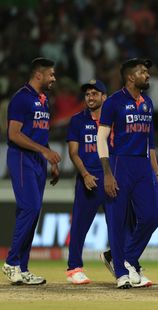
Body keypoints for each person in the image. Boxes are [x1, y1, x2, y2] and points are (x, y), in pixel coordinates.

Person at [97, 58, 158, 289]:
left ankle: (126, 258)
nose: (147, 75)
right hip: (118, 163)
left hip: (143, 166)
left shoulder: (148, 103)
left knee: (154, 215)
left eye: (147, 71)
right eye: (142, 71)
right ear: (130, 77)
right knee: (117, 220)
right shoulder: (113, 102)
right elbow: (101, 138)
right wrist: (106, 172)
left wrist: (156, 174)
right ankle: (121, 274)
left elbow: (151, 143)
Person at [2, 58, 61, 285]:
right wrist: (43, 152)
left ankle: (22, 268)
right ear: (39, 75)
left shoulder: (43, 100)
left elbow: (39, 135)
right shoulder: (21, 98)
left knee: (33, 212)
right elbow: (14, 134)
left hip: (37, 160)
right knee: (30, 207)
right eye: (51, 75)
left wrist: (50, 160)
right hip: (21, 158)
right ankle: (11, 262)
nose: (54, 79)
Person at [65, 79, 112, 284]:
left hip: (110, 178)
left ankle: (121, 264)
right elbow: (73, 152)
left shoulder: (113, 120)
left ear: (104, 97)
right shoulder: (77, 120)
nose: (90, 97)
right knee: (79, 226)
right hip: (88, 179)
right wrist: (84, 175)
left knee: (120, 225)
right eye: (87, 94)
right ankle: (74, 268)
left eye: (95, 93)